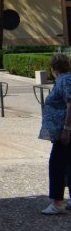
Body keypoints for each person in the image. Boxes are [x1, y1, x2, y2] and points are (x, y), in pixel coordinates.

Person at [39, 53, 71, 215]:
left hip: (63, 132)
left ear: (53, 67)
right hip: (62, 130)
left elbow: (70, 103)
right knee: (68, 164)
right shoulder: (65, 79)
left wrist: (67, 128)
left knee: (57, 165)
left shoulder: (64, 80)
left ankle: (57, 203)